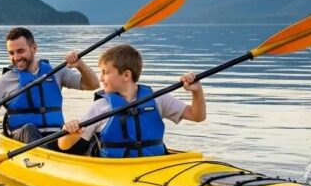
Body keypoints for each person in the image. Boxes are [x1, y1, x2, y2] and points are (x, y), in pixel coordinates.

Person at [61, 44, 205, 157]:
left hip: (156, 167)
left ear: (126, 75)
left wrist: (197, 91)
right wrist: (70, 130)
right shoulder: (100, 107)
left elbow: (197, 116)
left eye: (105, 72)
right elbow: (64, 145)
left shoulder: (157, 99)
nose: (101, 78)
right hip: (114, 171)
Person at [0, 27, 99, 144]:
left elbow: (93, 85)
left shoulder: (55, 72)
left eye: (20, 51)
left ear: (34, 48)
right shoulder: (4, 81)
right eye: (11, 53)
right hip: (21, 141)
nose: (16, 57)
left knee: (83, 131)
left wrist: (80, 65)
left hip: (55, 137)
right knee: (29, 129)